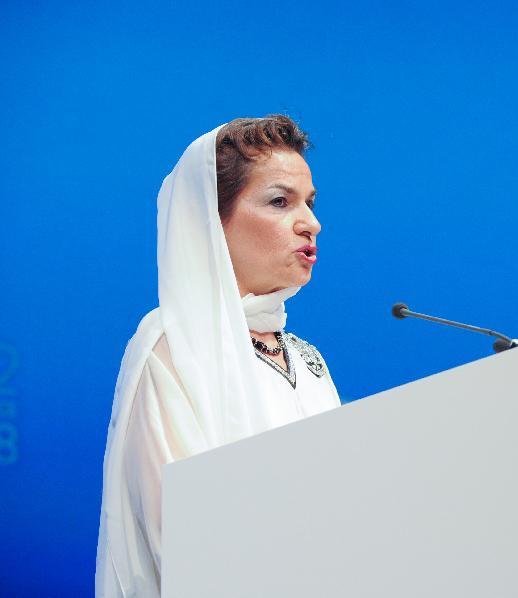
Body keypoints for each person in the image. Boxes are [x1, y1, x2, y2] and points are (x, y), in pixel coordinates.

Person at [95, 115, 341, 597]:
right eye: (279, 201)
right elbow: (185, 537)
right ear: (211, 219)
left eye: (309, 203)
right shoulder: (172, 346)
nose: (312, 222)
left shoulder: (307, 359)